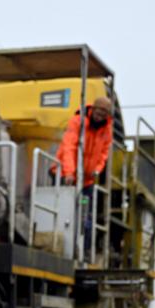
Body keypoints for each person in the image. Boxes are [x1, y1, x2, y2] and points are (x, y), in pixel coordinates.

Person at [53, 96, 114, 256]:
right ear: (93, 109)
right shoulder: (77, 121)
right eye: (98, 113)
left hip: (86, 182)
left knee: (85, 213)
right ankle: (57, 245)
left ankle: (83, 250)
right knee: (63, 210)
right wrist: (69, 172)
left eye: (103, 115)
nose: (99, 117)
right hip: (65, 176)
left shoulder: (107, 130)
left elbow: (104, 153)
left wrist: (97, 170)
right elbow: (69, 147)